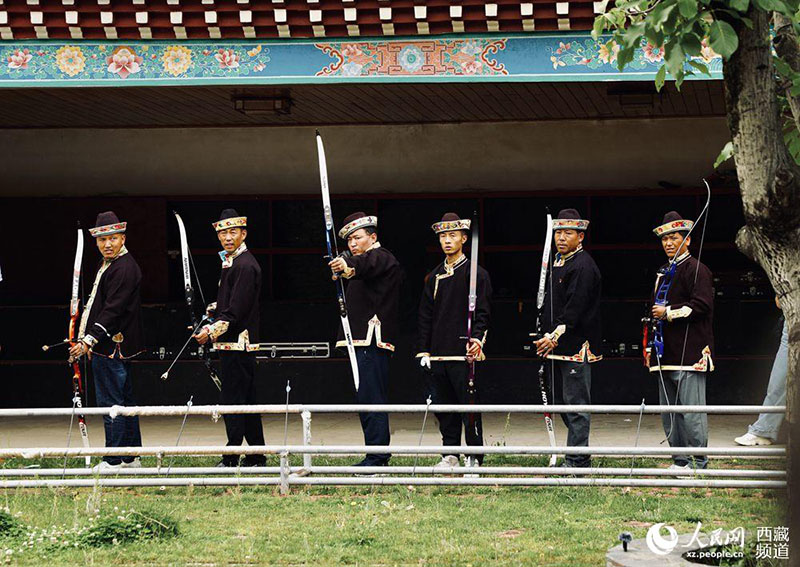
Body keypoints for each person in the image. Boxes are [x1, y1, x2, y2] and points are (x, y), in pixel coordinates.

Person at [416, 213, 492, 470]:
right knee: (443, 407)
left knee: (469, 407)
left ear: (463, 239)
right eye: (442, 236)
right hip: (438, 353)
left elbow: (483, 312)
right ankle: (450, 454)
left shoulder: (477, 274)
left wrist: (478, 341)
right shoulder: (433, 276)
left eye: (452, 236)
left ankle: (474, 456)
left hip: (464, 352)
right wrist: (424, 350)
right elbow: (425, 315)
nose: (447, 241)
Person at [69, 211, 144, 471]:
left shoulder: (124, 267)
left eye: (112, 238)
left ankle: (113, 460)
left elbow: (113, 310)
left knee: (112, 402)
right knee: (123, 402)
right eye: (102, 240)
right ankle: (131, 457)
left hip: (111, 346)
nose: (107, 244)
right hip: (110, 345)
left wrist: (89, 340)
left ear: (122, 238)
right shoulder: (110, 265)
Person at [328, 212, 402, 468]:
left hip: (373, 340)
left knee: (371, 398)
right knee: (365, 397)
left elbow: (365, 265)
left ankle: (378, 456)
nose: (352, 243)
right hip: (361, 341)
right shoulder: (363, 258)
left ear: (373, 237)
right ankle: (374, 452)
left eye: (358, 238)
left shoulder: (382, 257)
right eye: (349, 240)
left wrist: (346, 267)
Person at [194, 209, 266, 467]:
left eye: (232, 232)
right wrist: (215, 308)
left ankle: (231, 456)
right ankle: (257, 455)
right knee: (246, 400)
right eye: (222, 233)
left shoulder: (245, 265)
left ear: (243, 233)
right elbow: (232, 302)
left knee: (233, 401)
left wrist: (210, 331)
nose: (227, 237)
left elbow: (236, 311)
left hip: (238, 342)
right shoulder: (233, 262)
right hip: (235, 343)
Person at [533, 208, 602, 468]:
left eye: (568, 233)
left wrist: (554, 336)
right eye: (558, 233)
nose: (561, 238)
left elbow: (575, 309)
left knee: (576, 406)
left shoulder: (584, 266)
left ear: (580, 236)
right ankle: (575, 452)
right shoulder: (558, 263)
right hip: (554, 347)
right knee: (559, 402)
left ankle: (578, 461)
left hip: (573, 345)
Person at [646, 211, 714, 472]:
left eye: (674, 238)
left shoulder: (697, 269)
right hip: (665, 353)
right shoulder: (663, 271)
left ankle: (699, 463)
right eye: (664, 239)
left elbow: (702, 306)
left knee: (692, 412)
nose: (669, 243)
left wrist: (669, 313)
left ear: (687, 240)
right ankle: (680, 461)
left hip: (691, 352)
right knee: (670, 412)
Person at [735, 297, 787, 446]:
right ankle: (764, 430)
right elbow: (779, 301)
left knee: (780, 380)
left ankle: (764, 430)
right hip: (793, 320)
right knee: (780, 380)